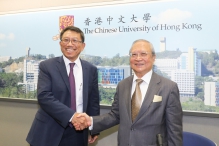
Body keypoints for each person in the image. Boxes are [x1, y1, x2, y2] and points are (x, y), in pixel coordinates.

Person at [76, 39, 183, 146]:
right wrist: (90, 121)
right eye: (134, 54)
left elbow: (174, 131)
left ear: (153, 57)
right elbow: (115, 116)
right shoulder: (122, 85)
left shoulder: (168, 87)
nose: (138, 58)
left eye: (143, 54)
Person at [26, 26, 100, 146]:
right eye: (66, 40)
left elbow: (93, 101)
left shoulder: (90, 69)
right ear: (60, 43)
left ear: (83, 46)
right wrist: (72, 116)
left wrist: (94, 127)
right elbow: (44, 96)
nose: (70, 44)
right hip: (49, 131)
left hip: (78, 133)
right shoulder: (47, 66)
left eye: (75, 41)